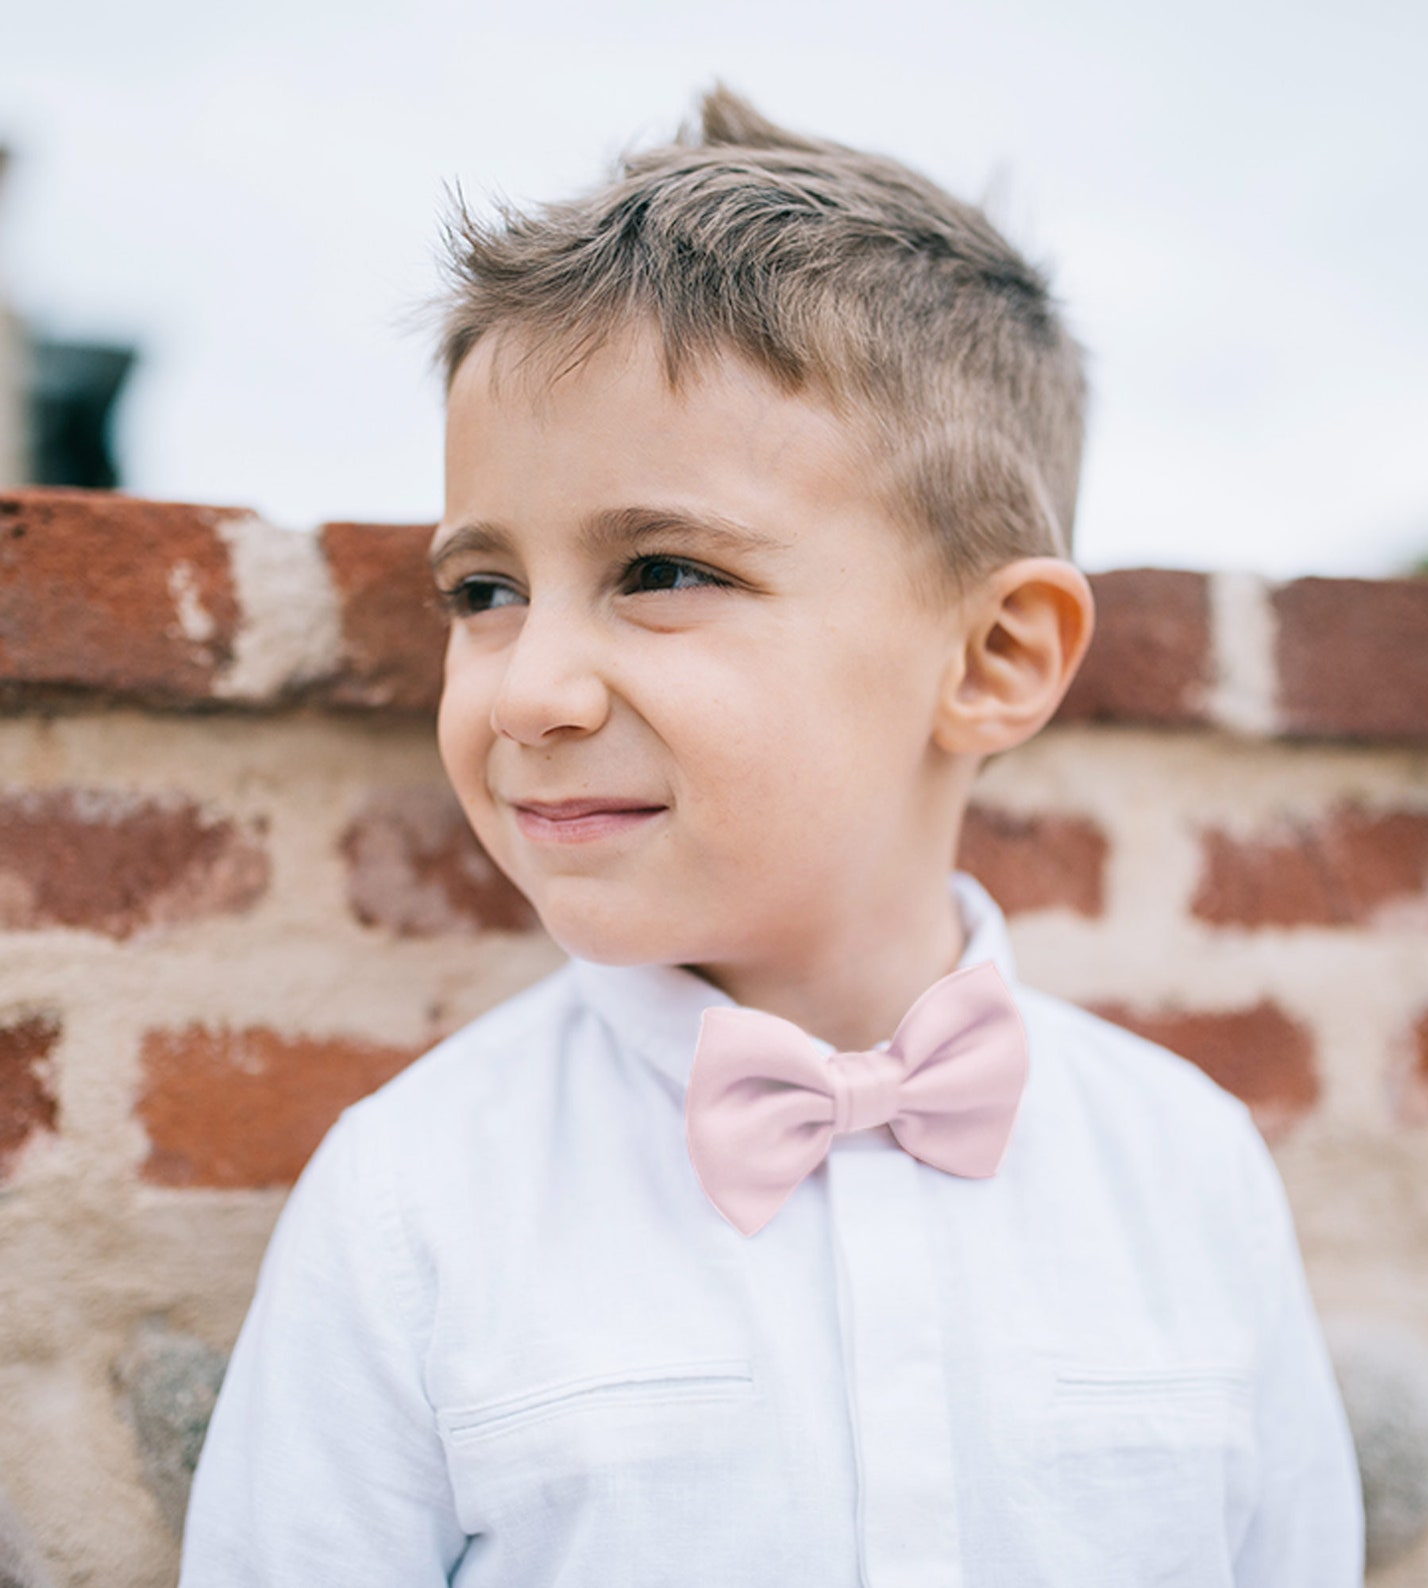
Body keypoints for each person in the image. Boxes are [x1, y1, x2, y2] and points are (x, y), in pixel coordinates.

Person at [180, 88, 1363, 1586]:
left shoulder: (1188, 1172)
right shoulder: (411, 1200)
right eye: (483, 592)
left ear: (993, 658)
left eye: (662, 569)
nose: (529, 688)